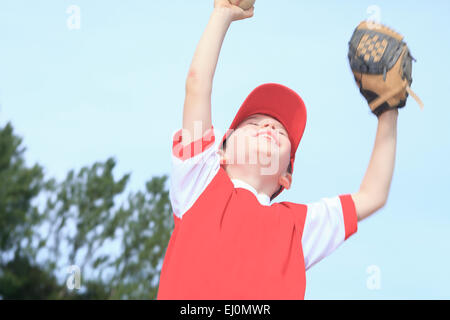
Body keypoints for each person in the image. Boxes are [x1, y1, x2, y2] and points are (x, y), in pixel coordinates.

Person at [157, 0, 398, 299]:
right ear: (221, 152)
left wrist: (387, 113)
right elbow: (197, 85)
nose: (269, 128)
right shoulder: (200, 183)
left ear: (286, 176)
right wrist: (222, 14)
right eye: (254, 123)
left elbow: (373, 196)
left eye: (281, 132)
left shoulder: (297, 227)